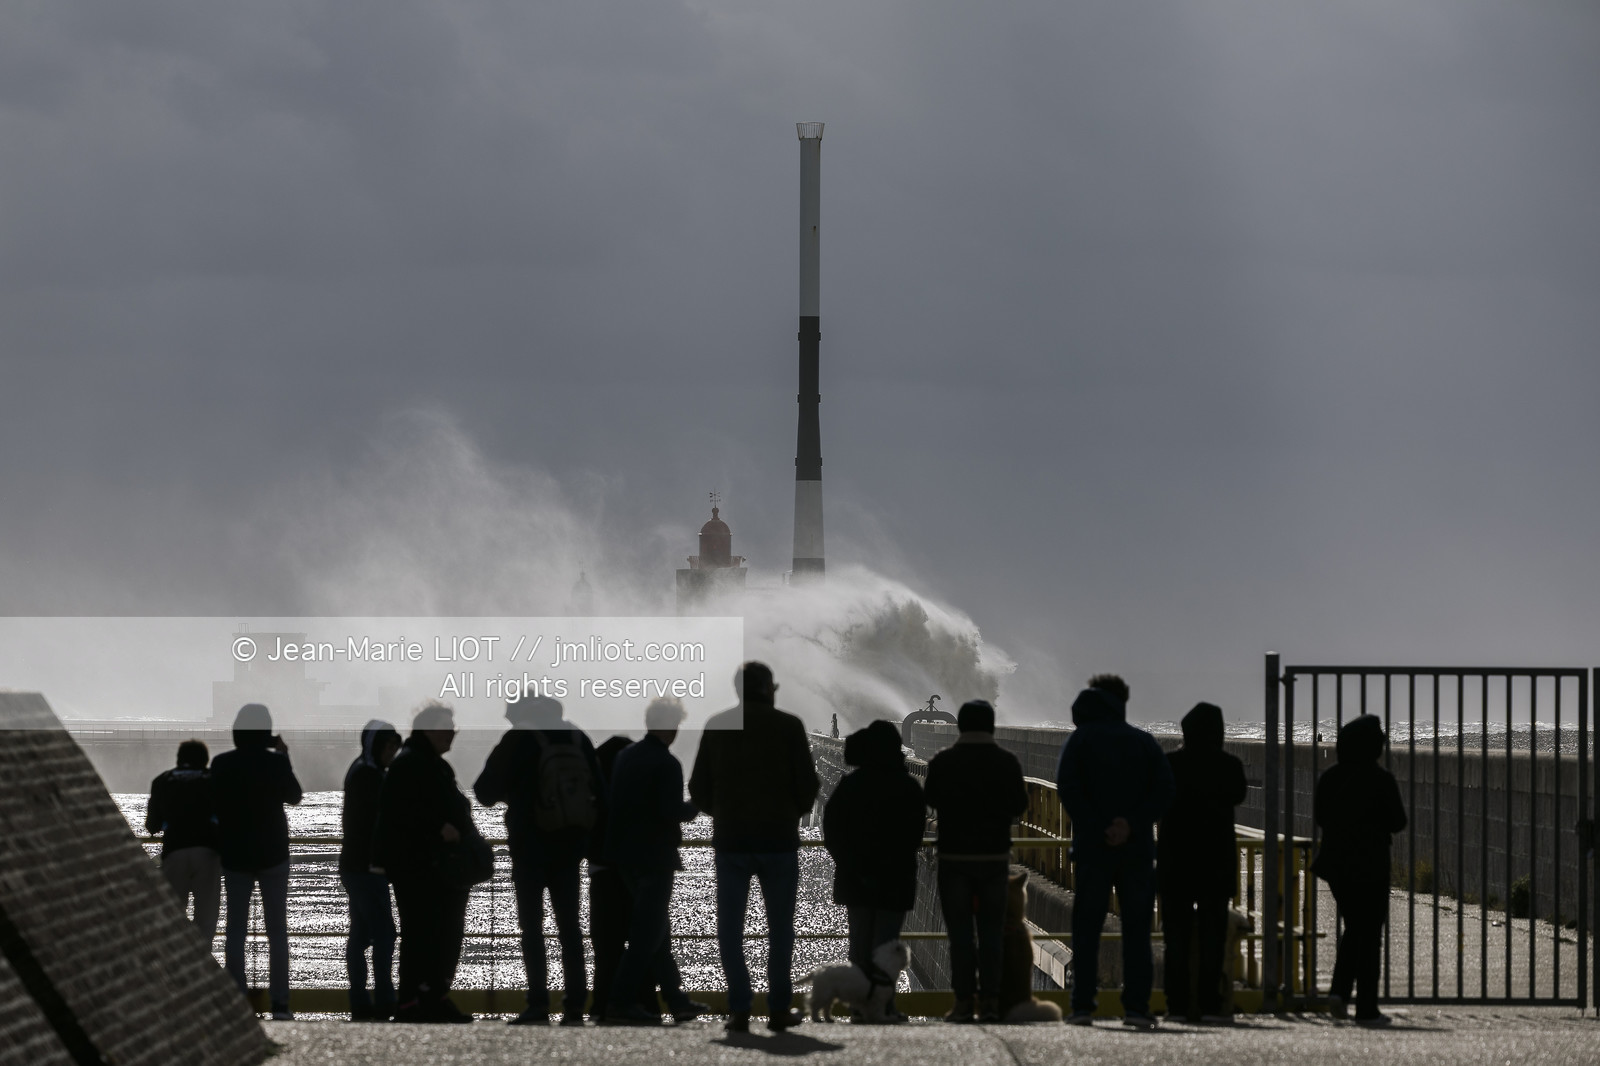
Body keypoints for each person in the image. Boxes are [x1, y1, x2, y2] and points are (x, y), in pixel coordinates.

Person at [688, 662, 821, 1033]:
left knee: (730, 929)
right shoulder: (789, 726)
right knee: (780, 929)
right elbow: (808, 786)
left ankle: (740, 1008)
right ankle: (778, 1008)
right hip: (779, 843)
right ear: (768, 689)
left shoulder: (717, 725)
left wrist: (724, 813)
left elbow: (698, 787)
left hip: (732, 843)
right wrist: (791, 812)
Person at [473, 694, 603, 1026]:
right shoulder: (577, 736)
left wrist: (515, 793)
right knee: (570, 927)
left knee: (531, 927)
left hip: (530, 848)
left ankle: (538, 1004)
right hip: (571, 848)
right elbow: (601, 794)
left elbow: (484, 791)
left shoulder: (518, 738)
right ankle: (575, 1005)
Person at [1055, 675, 1175, 1029]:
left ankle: (1082, 1007)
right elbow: (1165, 790)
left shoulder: (1079, 740)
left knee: (1086, 929)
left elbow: (1068, 788)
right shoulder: (1143, 742)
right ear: (1120, 702)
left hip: (1093, 849)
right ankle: (1136, 1008)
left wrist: (1097, 826)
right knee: (1137, 930)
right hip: (1136, 850)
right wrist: (1131, 825)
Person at [921, 699, 1028, 1023]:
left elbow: (931, 800)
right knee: (993, 934)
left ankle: (964, 1002)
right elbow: (1020, 806)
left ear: (961, 726)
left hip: (954, 857)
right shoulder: (1006, 761)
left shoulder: (944, 761)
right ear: (992, 726)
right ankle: (992, 1002)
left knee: (961, 936)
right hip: (994, 858)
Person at [603, 697, 705, 1025]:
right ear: (666, 725)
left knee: (657, 933)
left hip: (626, 858)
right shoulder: (667, 763)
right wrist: (698, 803)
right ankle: (619, 1001)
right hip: (656, 858)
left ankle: (677, 1001)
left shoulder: (625, 757)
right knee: (648, 936)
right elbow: (672, 812)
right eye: (675, 724)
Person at [374, 702, 475, 1024]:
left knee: (436, 935)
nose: (452, 736)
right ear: (428, 730)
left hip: (431, 867)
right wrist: (438, 830)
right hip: (421, 867)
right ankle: (417, 1000)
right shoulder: (415, 766)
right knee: (425, 935)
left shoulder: (425, 764)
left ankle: (428, 996)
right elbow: (401, 816)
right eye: (447, 730)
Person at [821, 719, 925, 1022]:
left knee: (859, 947)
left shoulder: (850, 784)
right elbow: (914, 834)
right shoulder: (906, 786)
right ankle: (884, 1007)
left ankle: (859, 1007)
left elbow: (833, 829)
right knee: (886, 949)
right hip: (895, 881)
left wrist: (850, 863)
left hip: (856, 880)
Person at [210, 703, 303, 1020]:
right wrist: (284, 757)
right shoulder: (275, 763)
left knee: (235, 929)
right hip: (273, 853)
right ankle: (280, 1003)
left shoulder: (222, 763)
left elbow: (214, 802)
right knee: (277, 931)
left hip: (235, 854)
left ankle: (237, 1001)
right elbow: (294, 795)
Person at [1312, 714, 1406, 1025]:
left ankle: (1339, 993)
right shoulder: (1381, 780)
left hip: (1338, 866)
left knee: (1355, 928)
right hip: (1372, 865)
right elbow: (1398, 822)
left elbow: (1321, 818)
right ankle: (1365, 1007)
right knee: (1368, 934)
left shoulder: (1330, 778)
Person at [1156, 702, 1247, 1023]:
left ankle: (1177, 1006)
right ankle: (1210, 1004)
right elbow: (1238, 795)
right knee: (1213, 938)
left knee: (1175, 938)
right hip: (1215, 864)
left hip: (1175, 864)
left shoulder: (1169, 764)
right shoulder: (1230, 765)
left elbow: (1156, 802)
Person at [340, 719, 403, 1021]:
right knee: (384, 933)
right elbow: (381, 824)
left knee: (361, 934)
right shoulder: (371, 776)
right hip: (368, 868)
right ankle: (383, 999)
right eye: (390, 746)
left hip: (354, 866)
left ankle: (360, 1001)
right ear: (378, 746)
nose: (393, 752)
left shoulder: (360, 770)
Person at [145, 738, 222, 943]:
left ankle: (176, 958)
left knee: (173, 915)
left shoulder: (162, 781)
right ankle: (203, 962)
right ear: (205, 760)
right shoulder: (213, 779)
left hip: (174, 851)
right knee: (206, 917)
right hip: (208, 851)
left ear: (179, 760)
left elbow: (151, 826)